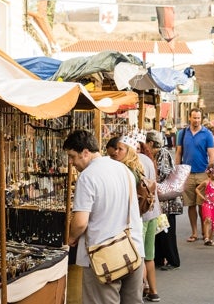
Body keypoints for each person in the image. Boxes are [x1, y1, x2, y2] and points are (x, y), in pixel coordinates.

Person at [64, 130, 145, 304]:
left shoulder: (87, 177)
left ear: (85, 152)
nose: (71, 162)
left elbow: (80, 222)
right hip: (132, 248)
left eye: (72, 156)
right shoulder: (124, 169)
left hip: (103, 255)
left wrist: (71, 237)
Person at [113, 132, 160, 302]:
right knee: (148, 255)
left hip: (135, 219)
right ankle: (152, 290)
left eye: (120, 149)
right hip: (149, 214)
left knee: (136, 255)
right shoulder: (143, 163)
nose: (116, 153)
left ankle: (142, 285)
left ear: (130, 151)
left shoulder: (126, 170)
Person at [175, 107, 214, 242]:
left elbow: (211, 154)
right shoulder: (182, 133)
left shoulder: (207, 134)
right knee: (190, 204)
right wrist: (178, 170)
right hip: (187, 173)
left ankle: (205, 233)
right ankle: (194, 232)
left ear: (201, 118)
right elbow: (179, 152)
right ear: (190, 118)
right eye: (194, 118)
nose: (196, 120)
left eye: (198, 118)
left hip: (203, 173)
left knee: (202, 205)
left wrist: (211, 171)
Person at [146, 130, 181, 271]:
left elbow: (164, 174)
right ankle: (159, 258)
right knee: (159, 230)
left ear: (151, 143)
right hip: (161, 200)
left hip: (167, 200)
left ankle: (173, 260)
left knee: (167, 231)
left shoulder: (163, 154)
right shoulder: (155, 154)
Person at [136, 138, 161, 302]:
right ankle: (153, 291)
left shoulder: (134, 163)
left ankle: (140, 290)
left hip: (141, 214)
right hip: (152, 212)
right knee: (149, 255)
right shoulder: (148, 160)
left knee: (140, 257)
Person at [195, 163, 214, 246]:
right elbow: (197, 189)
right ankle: (206, 238)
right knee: (208, 219)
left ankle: (211, 239)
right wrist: (202, 197)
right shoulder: (206, 182)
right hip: (207, 204)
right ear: (209, 173)